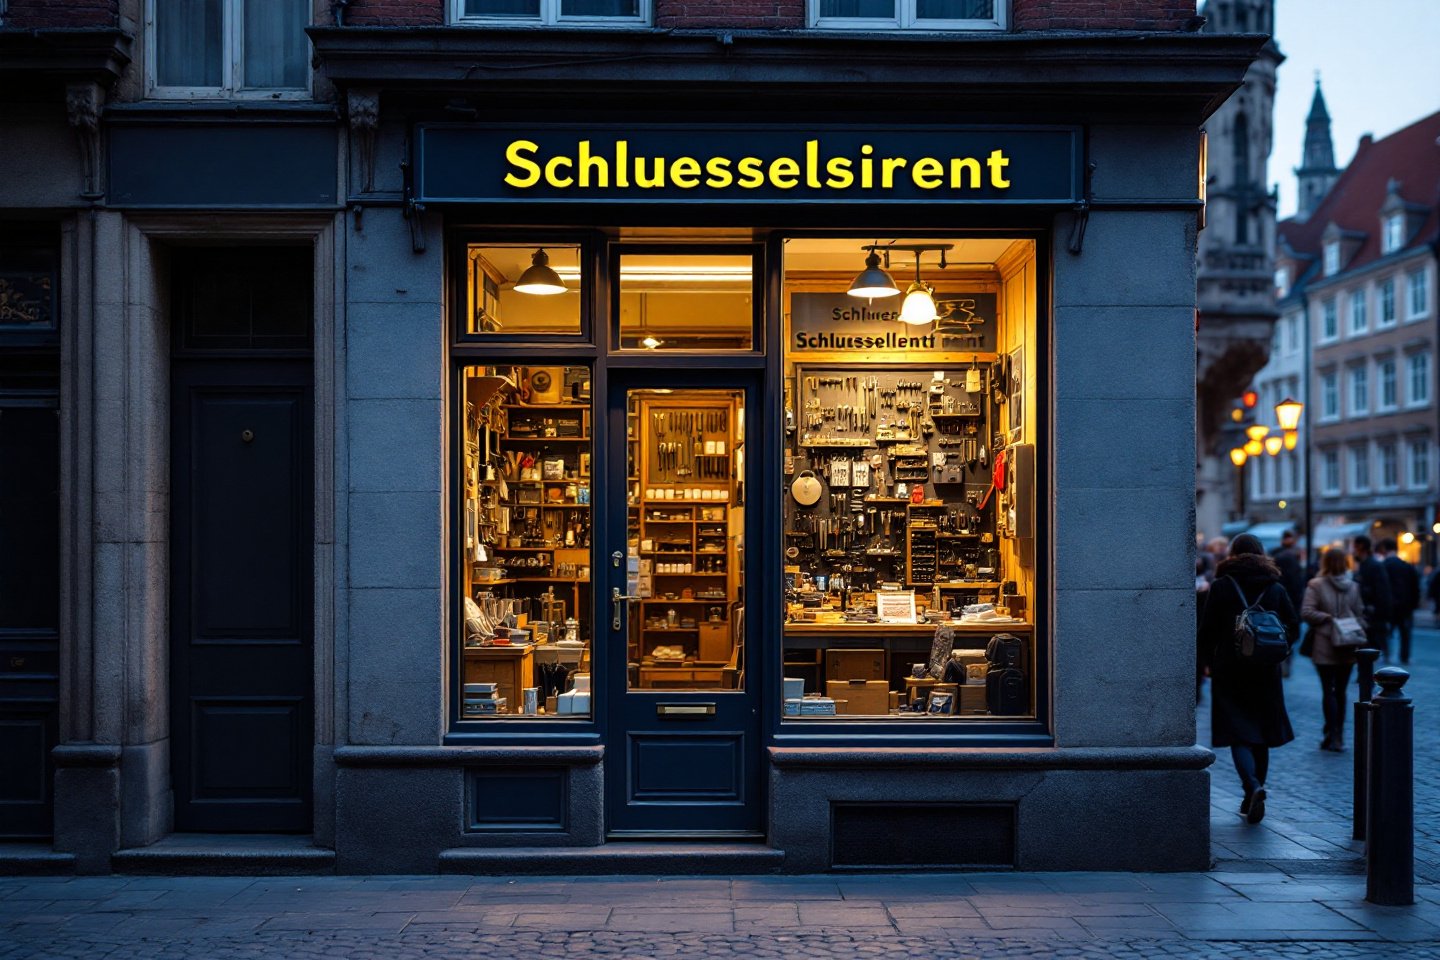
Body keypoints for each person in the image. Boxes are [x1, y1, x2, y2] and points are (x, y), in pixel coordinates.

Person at [1198, 533, 1298, 825]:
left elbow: (1207, 630)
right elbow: (1293, 625)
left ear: (1233, 554)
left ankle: (1251, 787)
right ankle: (1255, 791)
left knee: (1238, 731)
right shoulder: (1274, 587)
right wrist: (1276, 651)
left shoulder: (1222, 586)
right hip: (1266, 669)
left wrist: (1206, 663)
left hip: (1230, 668)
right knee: (1262, 732)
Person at [1300, 548, 1364, 752]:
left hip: (1324, 642)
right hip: (1348, 642)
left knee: (1328, 690)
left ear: (1324, 562)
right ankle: (1338, 735)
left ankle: (1332, 733)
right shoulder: (1353, 586)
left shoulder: (1316, 584)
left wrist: (1327, 618)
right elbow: (1360, 614)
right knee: (1341, 691)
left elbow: (1306, 612)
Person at [1376, 538, 1419, 665]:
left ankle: (1386, 655)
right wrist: (1413, 604)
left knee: (1386, 632)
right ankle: (1404, 657)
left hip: (1389, 605)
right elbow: (1415, 587)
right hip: (1406, 605)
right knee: (1405, 633)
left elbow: (1380, 588)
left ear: (1384, 549)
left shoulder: (1383, 566)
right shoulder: (1406, 566)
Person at [1351, 535, 1394, 660]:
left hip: (1373, 612)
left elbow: (1383, 591)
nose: (1353, 551)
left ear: (1360, 547)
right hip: (1368, 611)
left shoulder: (1374, 566)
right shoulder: (1365, 565)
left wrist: (1378, 609)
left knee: (1373, 643)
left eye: (1355, 547)